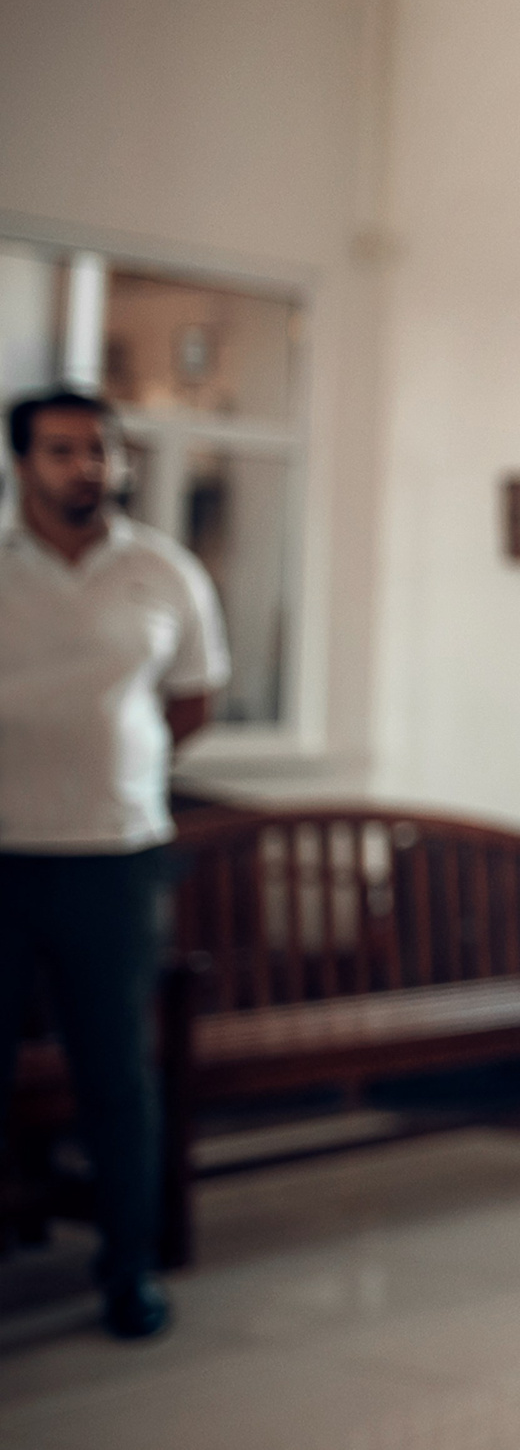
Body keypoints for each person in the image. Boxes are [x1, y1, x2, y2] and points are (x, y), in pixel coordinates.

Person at [0, 387, 229, 1340]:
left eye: (100, 450)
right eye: (62, 450)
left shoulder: (164, 571)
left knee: (116, 1074)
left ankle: (128, 1271)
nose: (85, 467)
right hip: (4, 857)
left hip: (116, 858)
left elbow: (192, 701)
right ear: (23, 462)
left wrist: (115, 760)